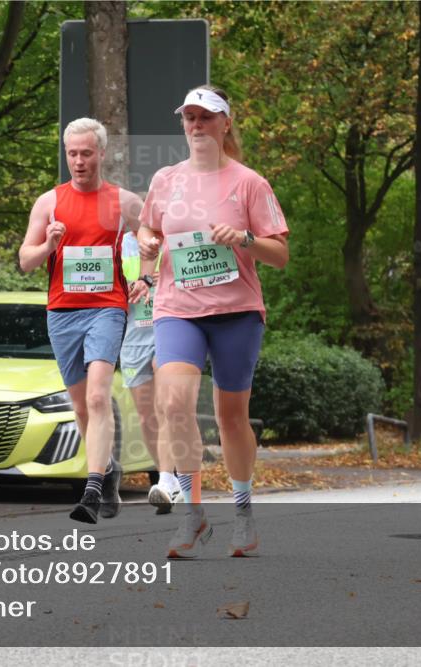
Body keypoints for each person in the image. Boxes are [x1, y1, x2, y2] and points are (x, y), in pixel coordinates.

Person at [137, 86, 289, 558]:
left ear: (226, 123)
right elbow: (149, 226)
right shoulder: (165, 179)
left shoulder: (249, 183)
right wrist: (145, 242)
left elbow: (280, 255)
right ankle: (193, 513)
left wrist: (245, 237)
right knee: (175, 402)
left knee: (231, 416)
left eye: (206, 117)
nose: (197, 126)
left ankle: (243, 514)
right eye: (190, 118)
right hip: (177, 307)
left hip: (236, 312)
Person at [19, 117, 145, 524]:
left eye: (86, 153)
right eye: (72, 153)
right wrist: (49, 244)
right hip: (62, 312)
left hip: (108, 307)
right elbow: (25, 261)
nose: (78, 161)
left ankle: (90, 490)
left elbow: (154, 236)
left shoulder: (123, 201)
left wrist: (143, 275)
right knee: (81, 406)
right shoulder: (49, 202)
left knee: (97, 396)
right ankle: (108, 470)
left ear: (101, 154)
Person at [118, 232, 182, 514]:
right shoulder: (119, 243)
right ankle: (165, 479)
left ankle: (169, 479)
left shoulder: (173, 237)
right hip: (134, 335)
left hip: (168, 327)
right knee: (146, 415)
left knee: (166, 405)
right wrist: (126, 287)